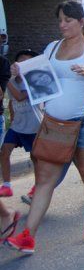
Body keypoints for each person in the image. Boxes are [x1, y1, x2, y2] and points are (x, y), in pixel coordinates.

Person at [6, 0, 84, 254]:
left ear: (82, 22)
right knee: (44, 180)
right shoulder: (52, 48)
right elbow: (38, 78)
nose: (62, 25)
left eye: (68, 20)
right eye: (60, 20)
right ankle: (28, 236)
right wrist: (20, 73)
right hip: (54, 126)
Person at [0, 50, 41, 198]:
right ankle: (6, 186)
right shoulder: (13, 80)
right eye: (20, 60)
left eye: (27, 61)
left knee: (35, 157)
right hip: (17, 125)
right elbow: (11, 101)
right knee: (4, 151)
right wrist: (12, 119)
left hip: (33, 126)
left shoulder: (34, 81)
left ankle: (38, 186)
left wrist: (6, 80)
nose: (23, 64)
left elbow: (19, 97)